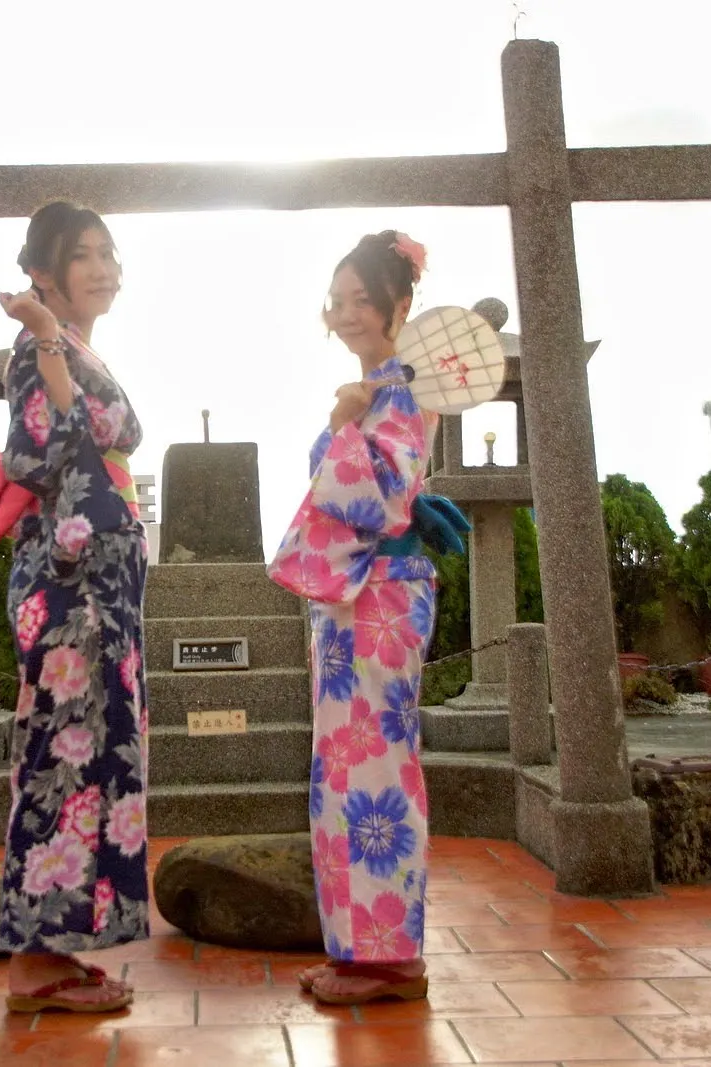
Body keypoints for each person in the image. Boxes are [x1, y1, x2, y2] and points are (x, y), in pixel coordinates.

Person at [268, 230, 458, 1006]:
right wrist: (347, 417)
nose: (347, 313)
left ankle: (392, 960)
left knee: (376, 770)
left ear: (399, 306)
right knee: (342, 771)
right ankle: (357, 952)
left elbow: (376, 497)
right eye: (337, 300)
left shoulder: (406, 390)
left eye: (362, 300)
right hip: (357, 594)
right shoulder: (376, 389)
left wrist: (344, 422)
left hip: (383, 591)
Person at [0, 201, 148, 1014]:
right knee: (62, 757)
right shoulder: (35, 350)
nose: (104, 265)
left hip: (100, 584)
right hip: (71, 581)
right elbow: (41, 448)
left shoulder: (72, 347)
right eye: (84, 254)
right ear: (44, 272)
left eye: (108, 251)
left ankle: (61, 946)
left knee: (91, 760)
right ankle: (33, 962)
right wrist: (49, 338)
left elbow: (97, 435)